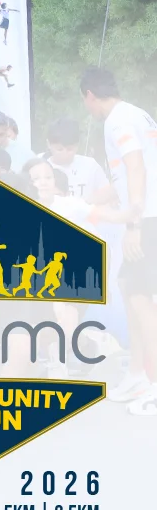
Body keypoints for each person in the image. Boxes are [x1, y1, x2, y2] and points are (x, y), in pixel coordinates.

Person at [82, 67, 157, 414]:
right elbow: (129, 174)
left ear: (90, 96)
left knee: (141, 298)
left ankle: (154, 384)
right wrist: (97, 198)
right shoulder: (136, 113)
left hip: (146, 218)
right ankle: (138, 374)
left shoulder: (116, 121)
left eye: (86, 102)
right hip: (146, 213)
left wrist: (133, 221)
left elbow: (138, 167)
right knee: (131, 289)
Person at [45, 118, 109, 202]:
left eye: (70, 149)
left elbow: (107, 194)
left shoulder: (90, 166)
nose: (65, 153)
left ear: (77, 145)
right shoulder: (38, 167)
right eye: (59, 149)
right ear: (48, 144)